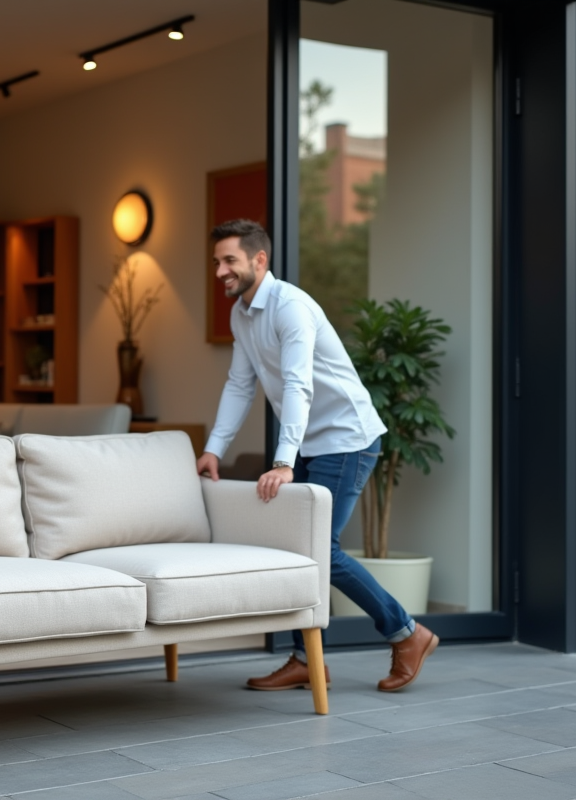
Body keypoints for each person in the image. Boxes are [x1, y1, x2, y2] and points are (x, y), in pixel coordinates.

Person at [196, 219, 438, 693]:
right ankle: (307, 659)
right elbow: (240, 385)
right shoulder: (241, 315)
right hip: (309, 440)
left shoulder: (291, 308)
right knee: (295, 545)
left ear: (258, 260)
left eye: (229, 261)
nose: (220, 271)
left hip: (346, 438)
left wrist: (283, 462)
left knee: (317, 550)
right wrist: (213, 449)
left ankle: (408, 634)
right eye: (216, 262)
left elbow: (298, 385)